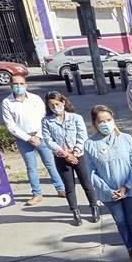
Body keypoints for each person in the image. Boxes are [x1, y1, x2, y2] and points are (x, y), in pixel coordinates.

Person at [84, 105, 132, 262]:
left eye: (108, 120)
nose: (105, 124)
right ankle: (131, 253)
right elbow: (91, 172)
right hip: (109, 194)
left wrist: (126, 187)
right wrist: (108, 190)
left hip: (131, 189)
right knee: (121, 222)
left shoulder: (126, 138)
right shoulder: (90, 144)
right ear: (95, 124)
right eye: (101, 121)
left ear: (113, 120)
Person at [1, 75, 64, 205]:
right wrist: (28, 138)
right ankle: (37, 193)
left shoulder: (35, 99)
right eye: (15, 84)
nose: (18, 86)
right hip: (23, 138)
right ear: (11, 85)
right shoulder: (7, 102)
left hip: (41, 135)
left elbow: (44, 116)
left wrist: (39, 135)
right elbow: (11, 125)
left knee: (50, 164)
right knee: (31, 167)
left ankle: (61, 188)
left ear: (26, 85)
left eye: (21, 83)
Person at [41, 92, 99, 226]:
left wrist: (76, 152)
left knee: (87, 183)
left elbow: (82, 136)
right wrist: (66, 154)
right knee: (69, 187)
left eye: (57, 104)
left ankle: (94, 207)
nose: (55, 107)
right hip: (62, 157)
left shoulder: (75, 118)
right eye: (52, 105)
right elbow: (49, 141)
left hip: (79, 155)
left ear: (63, 102)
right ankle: (75, 211)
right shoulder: (46, 121)